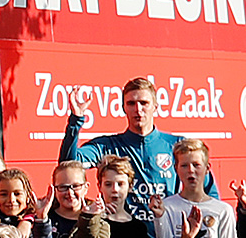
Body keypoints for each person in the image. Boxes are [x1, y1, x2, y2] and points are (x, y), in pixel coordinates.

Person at [61, 76, 192, 199]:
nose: (138, 109)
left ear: (155, 107)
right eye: (131, 103)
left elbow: (205, 191)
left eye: (144, 103)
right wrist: (76, 120)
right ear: (124, 108)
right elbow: (68, 164)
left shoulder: (176, 145)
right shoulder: (107, 147)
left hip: (166, 222)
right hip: (122, 223)